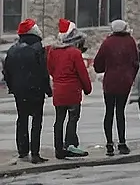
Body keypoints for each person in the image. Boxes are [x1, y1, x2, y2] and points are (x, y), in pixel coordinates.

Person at [2, 17, 51, 164]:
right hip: (36, 90)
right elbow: (43, 71)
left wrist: (12, 87)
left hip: (19, 91)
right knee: (36, 121)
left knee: (22, 119)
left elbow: (7, 72)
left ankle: (22, 151)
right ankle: (35, 153)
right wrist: (48, 89)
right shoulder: (37, 49)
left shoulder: (13, 50)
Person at [47, 19, 92, 159]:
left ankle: (58, 148)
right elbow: (82, 73)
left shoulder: (52, 51)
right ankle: (70, 144)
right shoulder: (74, 53)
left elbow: (50, 69)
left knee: (59, 120)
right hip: (73, 92)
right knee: (73, 119)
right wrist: (87, 88)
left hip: (59, 91)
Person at [93, 19, 139, 156]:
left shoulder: (107, 43)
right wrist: (130, 75)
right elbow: (136, 62)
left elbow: (98, 65)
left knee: (109, 112)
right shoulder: (130, 42)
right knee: (120, 112)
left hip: (110, 82)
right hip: (124, 82)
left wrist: (106, 68)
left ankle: (109, 143)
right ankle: (122, 142)